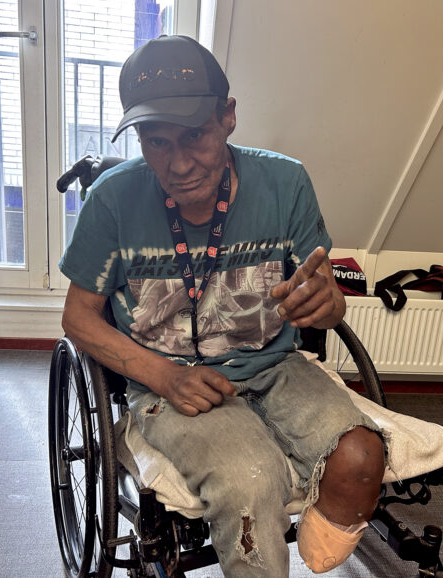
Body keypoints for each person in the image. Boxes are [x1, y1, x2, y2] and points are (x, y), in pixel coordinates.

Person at [60, 35, 385, 577]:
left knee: (360, 458)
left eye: (195, 136)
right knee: (251, 480)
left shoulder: (285, 183)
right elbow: (77, 319)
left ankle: (310, 541)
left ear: (227, 117)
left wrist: (328, 305)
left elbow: (325, 304)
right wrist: (163, 378)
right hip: (173, 382)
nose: (178, 163)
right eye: (155, 142)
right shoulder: (113, 200)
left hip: (273, 365)